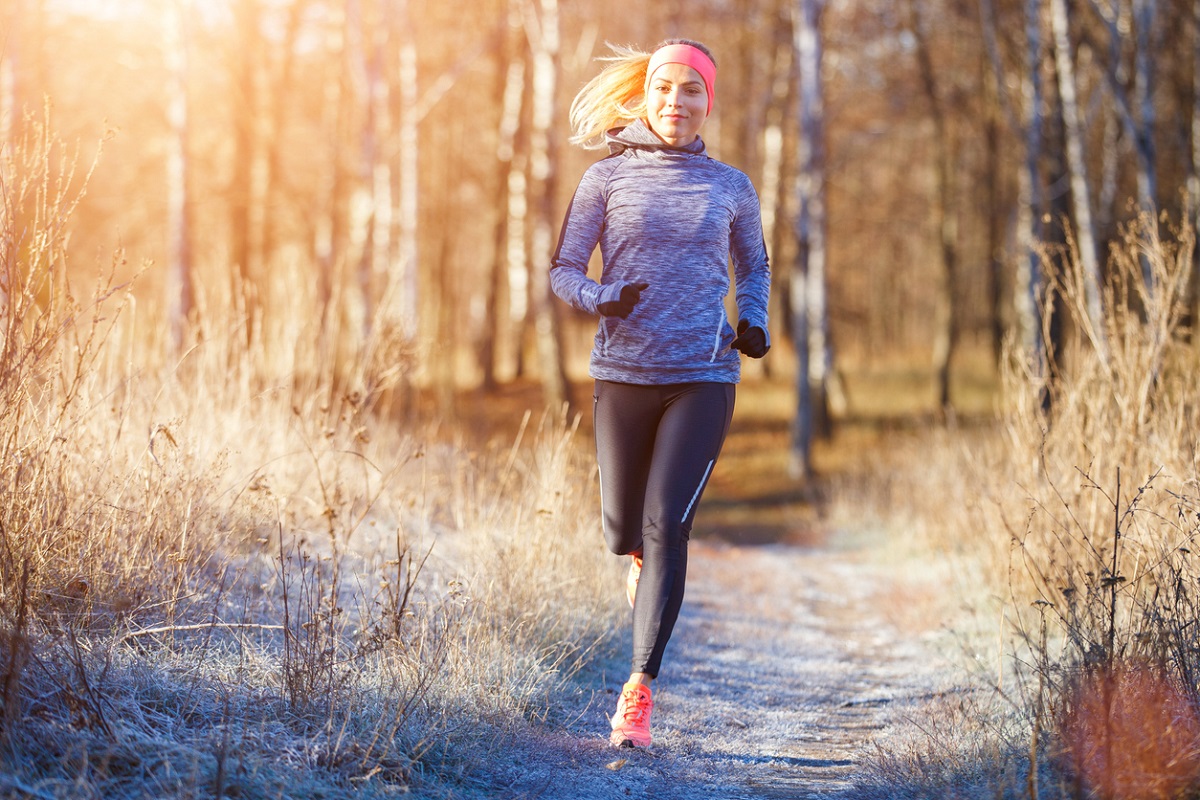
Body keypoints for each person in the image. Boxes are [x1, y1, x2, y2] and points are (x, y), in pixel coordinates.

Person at [549, 38, 771, 749]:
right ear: (646, 96)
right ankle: (642, 564)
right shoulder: (605, 180)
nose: (678, 101)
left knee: (666, 524)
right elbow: (562, 269)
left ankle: (637, 694)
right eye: (666, 88)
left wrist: (754, 322)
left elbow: (754, 267)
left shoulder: (731, 186)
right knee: (624, 531)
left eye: (693, 91)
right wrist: (603, 297)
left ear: (710, 100)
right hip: (624, 374)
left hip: (703, 376)